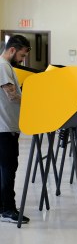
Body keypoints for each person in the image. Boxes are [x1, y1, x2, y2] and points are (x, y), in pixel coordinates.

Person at [0, 35, 31, 223]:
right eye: (21, 55)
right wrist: (35, 99)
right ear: (12, 50)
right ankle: (8, 209)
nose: (22, 59)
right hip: (4, 127)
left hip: (7, 125)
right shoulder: (3, 66)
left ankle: (3, 206)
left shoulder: (7, 65)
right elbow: (12, 96)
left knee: (5, 168)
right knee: (8, 168)